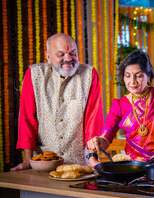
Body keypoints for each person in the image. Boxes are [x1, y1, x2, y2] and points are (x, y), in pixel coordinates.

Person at [11, 33, 104, 171]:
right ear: (48, 57)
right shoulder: (34, 75)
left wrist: (92, 158)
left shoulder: (89, 74)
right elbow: (27, 119)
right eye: (60, 54)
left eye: (73, 53)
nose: (68, 59)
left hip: (79, 163)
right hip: (42, 163)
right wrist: (28, 160)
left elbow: (93, 120)